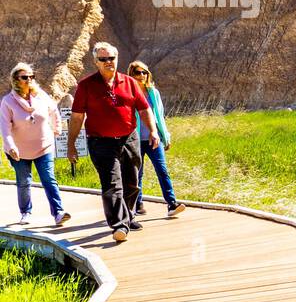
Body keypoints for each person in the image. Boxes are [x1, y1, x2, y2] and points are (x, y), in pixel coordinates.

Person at [67, 41, 160, 244]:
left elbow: (144, 109)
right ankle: (119, 225)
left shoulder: (129, 82)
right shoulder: (86, 86)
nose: (109, 62)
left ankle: (129, 216)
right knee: (112, 184)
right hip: (101, 142)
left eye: (112, 58)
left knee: (132, 182)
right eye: (103, 59)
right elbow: (76, 117)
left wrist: (153, 130)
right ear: (96, 61)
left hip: (129, 138)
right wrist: (71, 144)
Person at [1, 63, 71, 227]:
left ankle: (58, 212)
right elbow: (5, 128)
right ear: (15, 80)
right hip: (18, 150)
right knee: (24, 181)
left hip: (44, 146)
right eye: (25, 77)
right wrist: (11, 146)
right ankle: (26, 212)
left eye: (31, 77)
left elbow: (53, 110)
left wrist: (57, 128)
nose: (29, 80)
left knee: (48, 179)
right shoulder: (8, 102)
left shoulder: (41, 96)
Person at [126, 60, 185, 218]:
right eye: (138, 73)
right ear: (131, 75)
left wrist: (166, 137)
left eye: (144, 72)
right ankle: (138, 204)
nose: (142, 76)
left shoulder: (154, 93)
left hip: (154, 138)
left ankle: (172, 204)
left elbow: (160, 116)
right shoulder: (128, 93)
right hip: (135, 140)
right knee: (137, 173)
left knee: (162, 170)